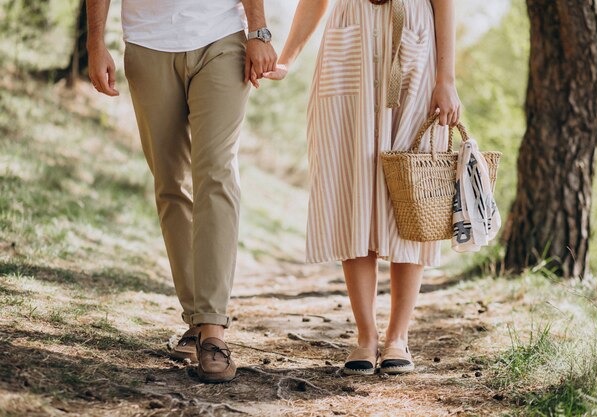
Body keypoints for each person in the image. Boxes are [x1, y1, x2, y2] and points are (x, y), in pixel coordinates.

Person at [264, 0, 461, 375]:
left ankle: (398, 337)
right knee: (350, 181)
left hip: (413, 45)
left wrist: (446, 79)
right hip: (349, 42)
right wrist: (288, 57)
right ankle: (366, 336)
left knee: (411, 187)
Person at [86, 0, 277, 383]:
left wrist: (258, 32)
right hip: (148, 42)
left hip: (221, 36)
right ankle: (196, 317)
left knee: (216, 174)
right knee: (170, 183)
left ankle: (212, 330)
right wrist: (95, 44)